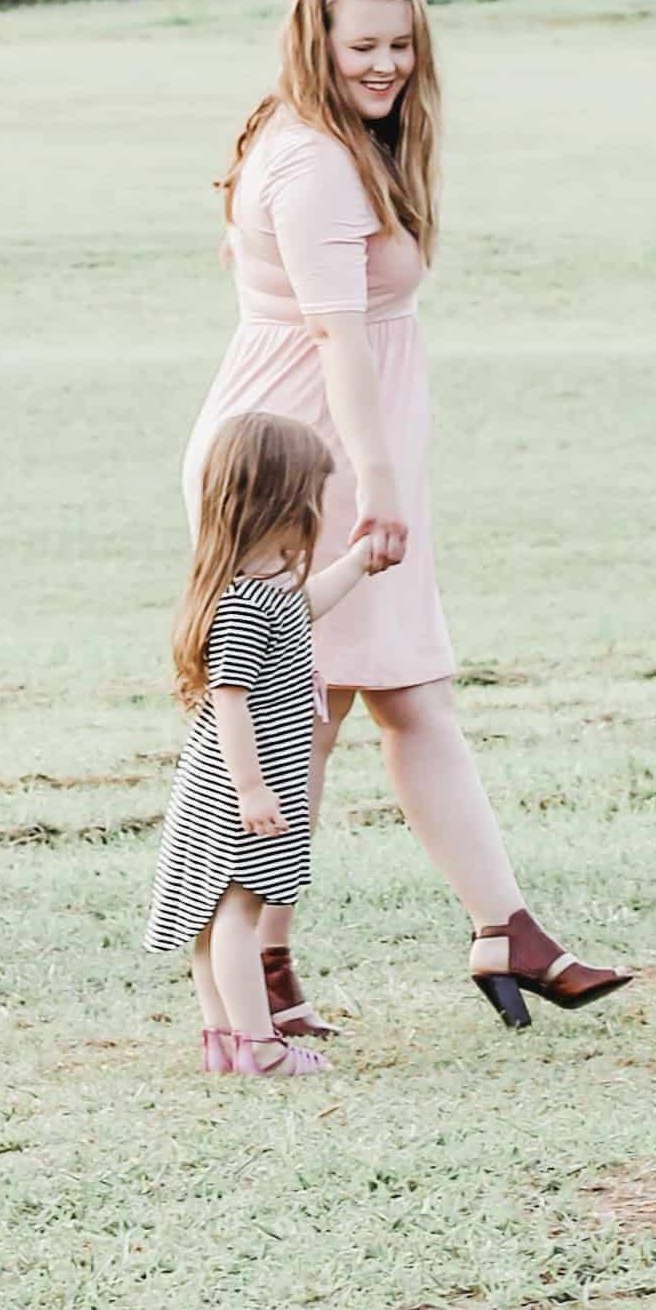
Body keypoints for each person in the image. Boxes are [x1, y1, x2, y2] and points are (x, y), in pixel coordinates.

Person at [181, 0, 632, 1032]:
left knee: (374, 699)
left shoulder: (317, 139)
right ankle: (299, 960)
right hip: (311, 464)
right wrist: (376, 485)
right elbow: (337, 334)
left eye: (399, 45)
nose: (385, 66)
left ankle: (473, 933)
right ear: (314, 45)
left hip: (322, 448)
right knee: (331, 707)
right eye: (361, 48)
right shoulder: (317, 167)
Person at [146, 411, 375, 1076]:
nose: (320, 515)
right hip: (240, 782)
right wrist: (252, 788)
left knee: (213, 914)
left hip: (229, 779)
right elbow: (231, 697)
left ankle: (222, 1040)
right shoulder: (246, 602)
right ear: (284, 503)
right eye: (315, 499)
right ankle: (261, 1048)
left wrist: (359, 560)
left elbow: (303, 609)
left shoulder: (264, 588)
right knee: (238, 915)